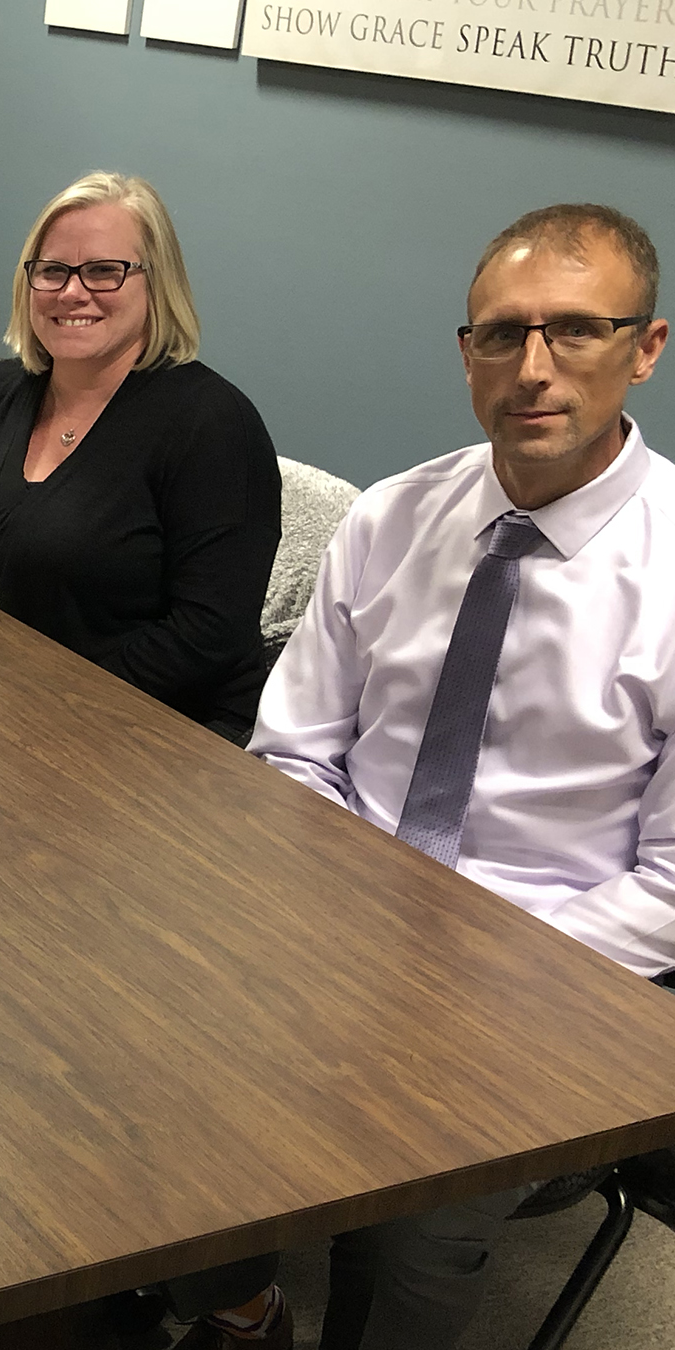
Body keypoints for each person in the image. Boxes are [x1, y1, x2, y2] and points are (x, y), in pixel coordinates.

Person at [244, 203, 675, 1349]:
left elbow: (672, 883)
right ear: (466, 354)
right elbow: (293, 752)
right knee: (134, 1053)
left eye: (576, 331)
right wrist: (334, 922)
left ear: (647, 347)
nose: (532, 369)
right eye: (500, 335)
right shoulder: (394, 518)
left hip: (548, 970)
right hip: (342, 916)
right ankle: (233, 1308)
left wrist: (473, 989)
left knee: (414, 1221)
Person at [0, 173, 279, 745]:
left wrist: (41, 703)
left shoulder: (214, 426)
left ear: (157, 283)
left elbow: (207, 637)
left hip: (144, 736)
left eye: (104, 271)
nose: (72, 293)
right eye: (52, 271)